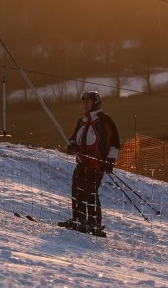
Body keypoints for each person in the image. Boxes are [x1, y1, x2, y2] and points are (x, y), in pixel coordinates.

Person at [58, 90, 120, 237]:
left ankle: (94, 222)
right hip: (82, 163)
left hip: (97, 164)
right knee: (77, 189)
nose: (85, 104)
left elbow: (114, 142)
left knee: (90, 191)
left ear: (96, 102)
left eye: (88, 101)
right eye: (83, 102)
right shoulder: (82, 121)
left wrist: (110, 161)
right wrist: (71, 146)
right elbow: (74, 139)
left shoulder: (104, 120)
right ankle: (79, 219)